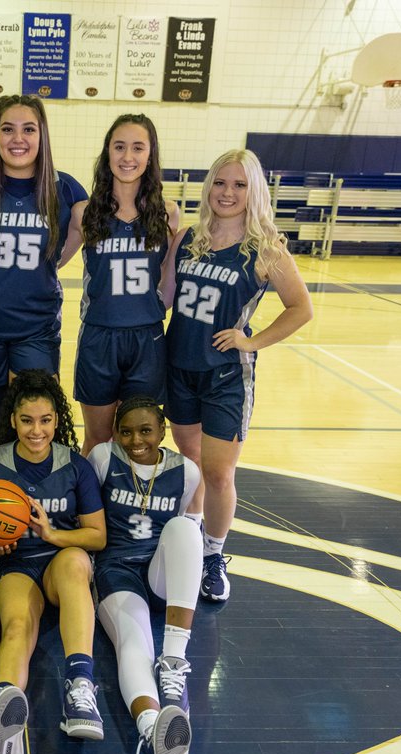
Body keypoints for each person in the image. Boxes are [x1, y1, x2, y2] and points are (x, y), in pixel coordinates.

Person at [161, 149, 313, 603]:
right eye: (220, 183)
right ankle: (188, 538)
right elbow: (165, 296)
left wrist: (251, 340)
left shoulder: (266, 247)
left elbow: (301, 308)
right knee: (192, 461)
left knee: (219, 472)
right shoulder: (188, 236)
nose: (227, 192)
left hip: (227, 374)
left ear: (254, 191)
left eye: (239, 185)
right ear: (208, 186)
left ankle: (212, 556)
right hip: (179, 364)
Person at [0, 370, 106, 754]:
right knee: (16, 627)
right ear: (13, 419)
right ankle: (4, 708)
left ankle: (80, 686)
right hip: (15, 565)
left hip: (60, 563)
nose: (37, 430)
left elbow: (97, 536)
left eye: (45, 420)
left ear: (56, 419)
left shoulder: (75, 465)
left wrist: (51, 533)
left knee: (75, 562)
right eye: (28, 420)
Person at [0, 96, 88, 452]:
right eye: (8, 129)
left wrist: (54, 261)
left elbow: (80, 231)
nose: (18, 139)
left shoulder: (65, 189)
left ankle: (33, 503)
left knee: (34, 422)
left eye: (29, 129)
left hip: (36, 326)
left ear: (42, 134)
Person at [89, 397, 203, 754]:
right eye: (126, 431)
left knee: (186, 530)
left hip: (158, 572)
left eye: (145, 431)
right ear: (116, 432)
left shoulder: (186, 471)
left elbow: (187, 534)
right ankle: (154, 729)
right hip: (115, 570)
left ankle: (174, 663)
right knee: (133, 646)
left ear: (162, 431)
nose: (136, 440)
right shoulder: (103, 457)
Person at [67, 114, 180, 454]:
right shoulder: (84, 213)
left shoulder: (167, 213)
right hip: (99, 337)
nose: (127, 157)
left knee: (139, 441)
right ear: (107, 153)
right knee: (98, 439)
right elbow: (51, 260)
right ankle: (89, 508)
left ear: (150, 155)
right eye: (119, 147)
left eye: (137, 148)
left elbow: (169, 274)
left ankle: (132, 506)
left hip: (146, 339)